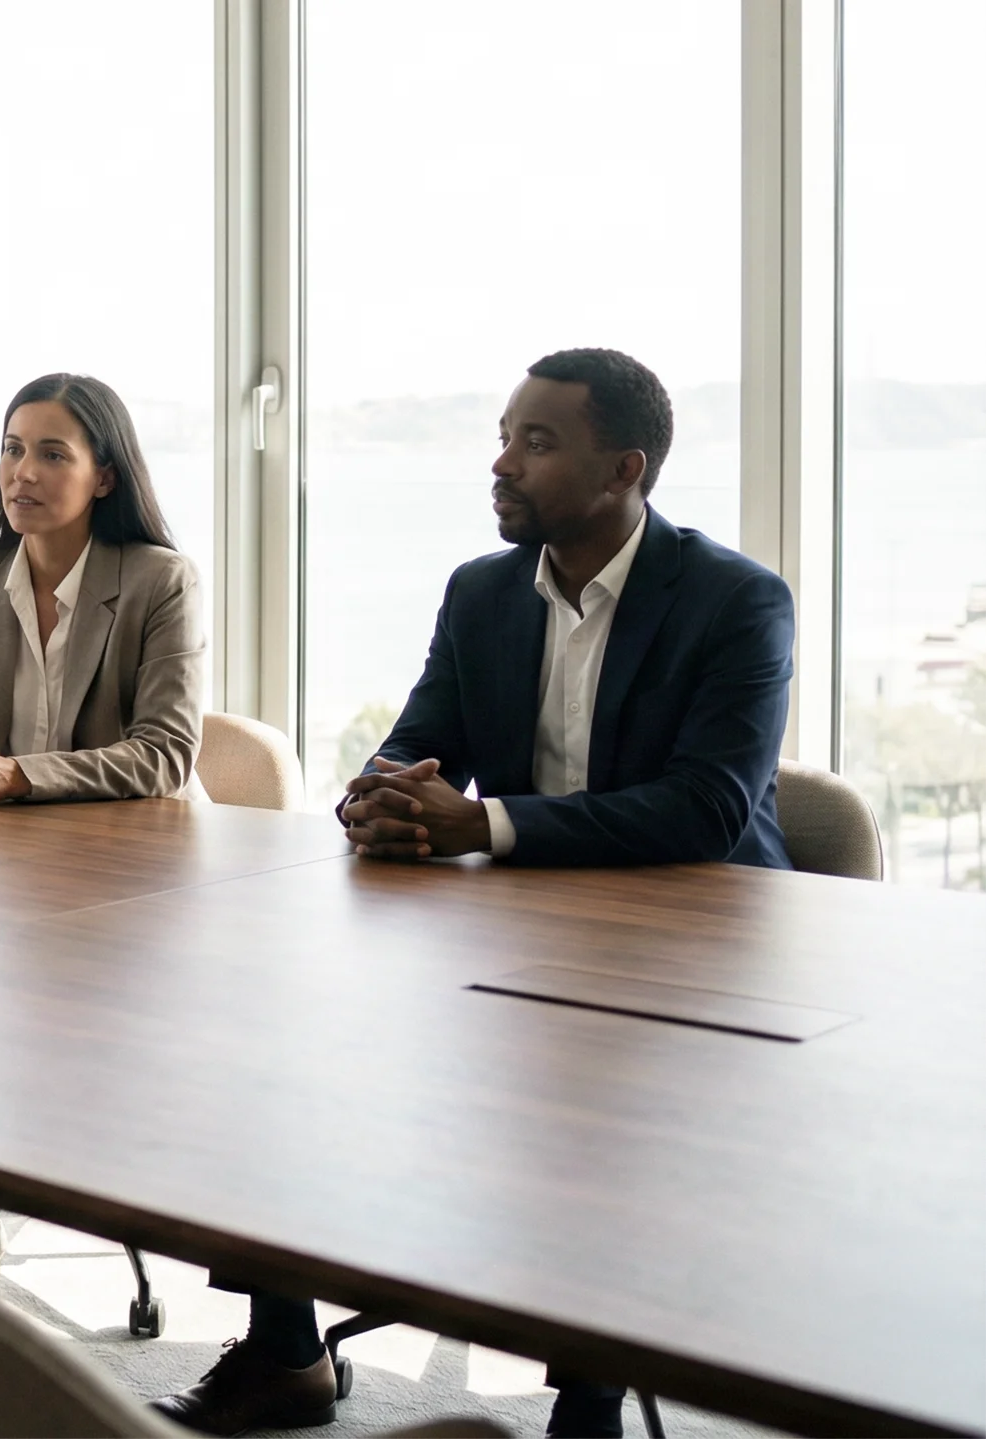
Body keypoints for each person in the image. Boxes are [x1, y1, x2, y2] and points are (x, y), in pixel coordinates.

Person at [152, 348, 794, 1439]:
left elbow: (707, 809)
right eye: (504, 434)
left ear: (625, 469)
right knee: (267, 1043)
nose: (501, 463)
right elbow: (418, 742)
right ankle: (284, 1348)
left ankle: (588, 1402)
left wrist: (482, 823)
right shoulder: (482, 590)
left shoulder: (736, 600)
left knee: (601, 1113)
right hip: (518, 920)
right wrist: (387, 797)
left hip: (693, 937)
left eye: (536, 443)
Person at [0, 372, 207, 1279]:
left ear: (103, 475)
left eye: (52, 452)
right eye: (12, 448)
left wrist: (21, 775)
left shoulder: (157, 581)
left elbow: (164, 754)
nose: (22, 471)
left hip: (133, 885)